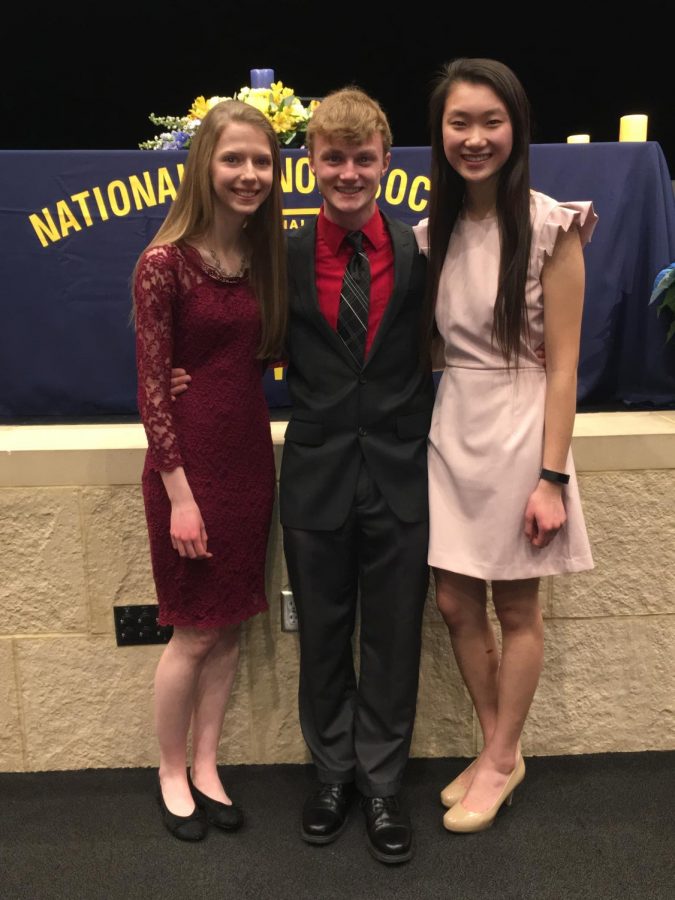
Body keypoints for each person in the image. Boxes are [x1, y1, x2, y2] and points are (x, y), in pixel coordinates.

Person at [172, 87, 434, 864]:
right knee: (321, 635)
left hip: (399, 474)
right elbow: (223, 328)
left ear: (386, 163)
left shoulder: (423, 249)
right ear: (310, 165)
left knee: (392, 638)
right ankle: (330, 776)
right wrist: (187, 375)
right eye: (333, 159)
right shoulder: (276, 254)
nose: (347, 173)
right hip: (317, 474)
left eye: (362, 159)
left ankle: (381, 784)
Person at [415, 57, 596, 833]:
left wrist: (550, 477)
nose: (475, 137)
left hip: (523, 429)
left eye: (490, 121)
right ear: (440, 134)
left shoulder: (552, 224)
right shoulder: (432, 233)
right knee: (456, 600)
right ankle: (498, 748)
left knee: (515, 605)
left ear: (515, 127)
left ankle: (498, 757)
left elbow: (564, 368)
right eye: (460, 122)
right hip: (452, 426)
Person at [133, 99, 286, 841]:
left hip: (249, 461)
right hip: (186, 470)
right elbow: (151, 387)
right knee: (191, 631)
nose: (248, 174)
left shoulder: (261, 259)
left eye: (260, 161)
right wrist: (180, 498)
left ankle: (206, 764)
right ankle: (169, 770)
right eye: (233, 160)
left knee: (229, 631)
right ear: (204, 166)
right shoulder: (164, 264)